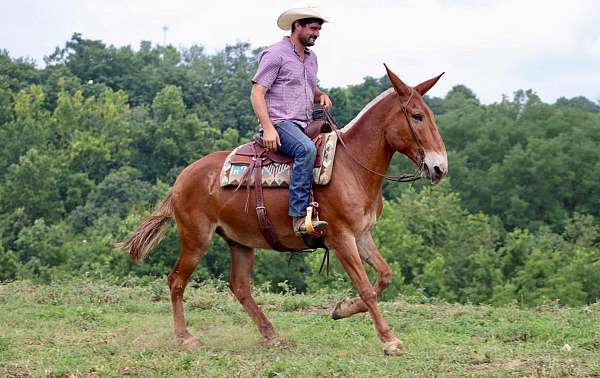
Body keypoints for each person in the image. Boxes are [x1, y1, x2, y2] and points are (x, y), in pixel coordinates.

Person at [250, 8, 332, 236]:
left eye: (319, 29)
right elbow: (257, 92)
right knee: (305, 150)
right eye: (313, 29)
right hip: (280, 123)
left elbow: (307, 87)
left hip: (304, 123)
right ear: (298, 26)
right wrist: (268, 128)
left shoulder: (311, 58)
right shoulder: (275, 54)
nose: (317, 34)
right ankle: (298, 218)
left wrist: (320, 95)